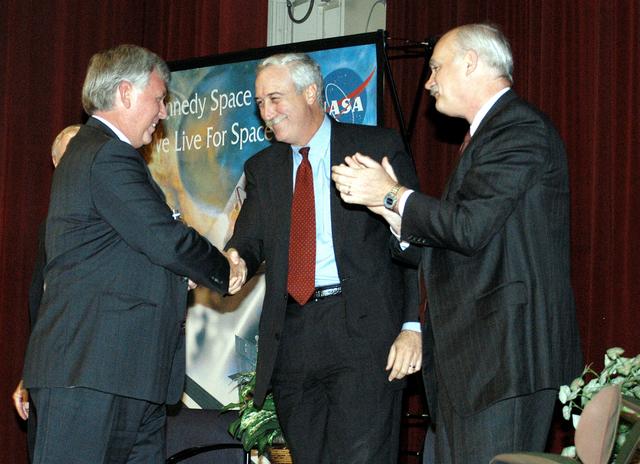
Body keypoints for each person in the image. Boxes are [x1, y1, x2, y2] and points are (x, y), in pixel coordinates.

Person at [331, 23, 583, 463]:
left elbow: (468, 227)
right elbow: (461, 241)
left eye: (435, 68)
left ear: (470, 63)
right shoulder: (484, 138)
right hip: (474, 365)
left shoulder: (517, 128)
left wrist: (392, 194)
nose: (428, 82)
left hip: (506, 361)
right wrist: (391, 213)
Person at [21, 44, 242, 464]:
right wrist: (222, 269)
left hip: (126, 375)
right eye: (159, 99)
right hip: (90, 374)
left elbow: (129, 252)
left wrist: (180, 276)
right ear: (125, 93)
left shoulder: (104, 156)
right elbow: (166, 239)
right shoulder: (106, 154)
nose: (162, 113)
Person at [225, 52, 421, 463]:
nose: (267, 112)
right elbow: (249, 238)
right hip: (293, 338)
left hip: (363, 333)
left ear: (311, 92)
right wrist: (237, 258)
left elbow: (414, 244)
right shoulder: (263, 167)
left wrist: (412, 325)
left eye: (275, 98)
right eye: (260, 103)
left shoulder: (375, 148)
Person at [12, 124, 80, 461]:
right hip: (50, 377)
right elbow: (41, 303)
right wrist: (30, 372)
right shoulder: (48, 228)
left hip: (94, 382)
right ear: (57, 166)